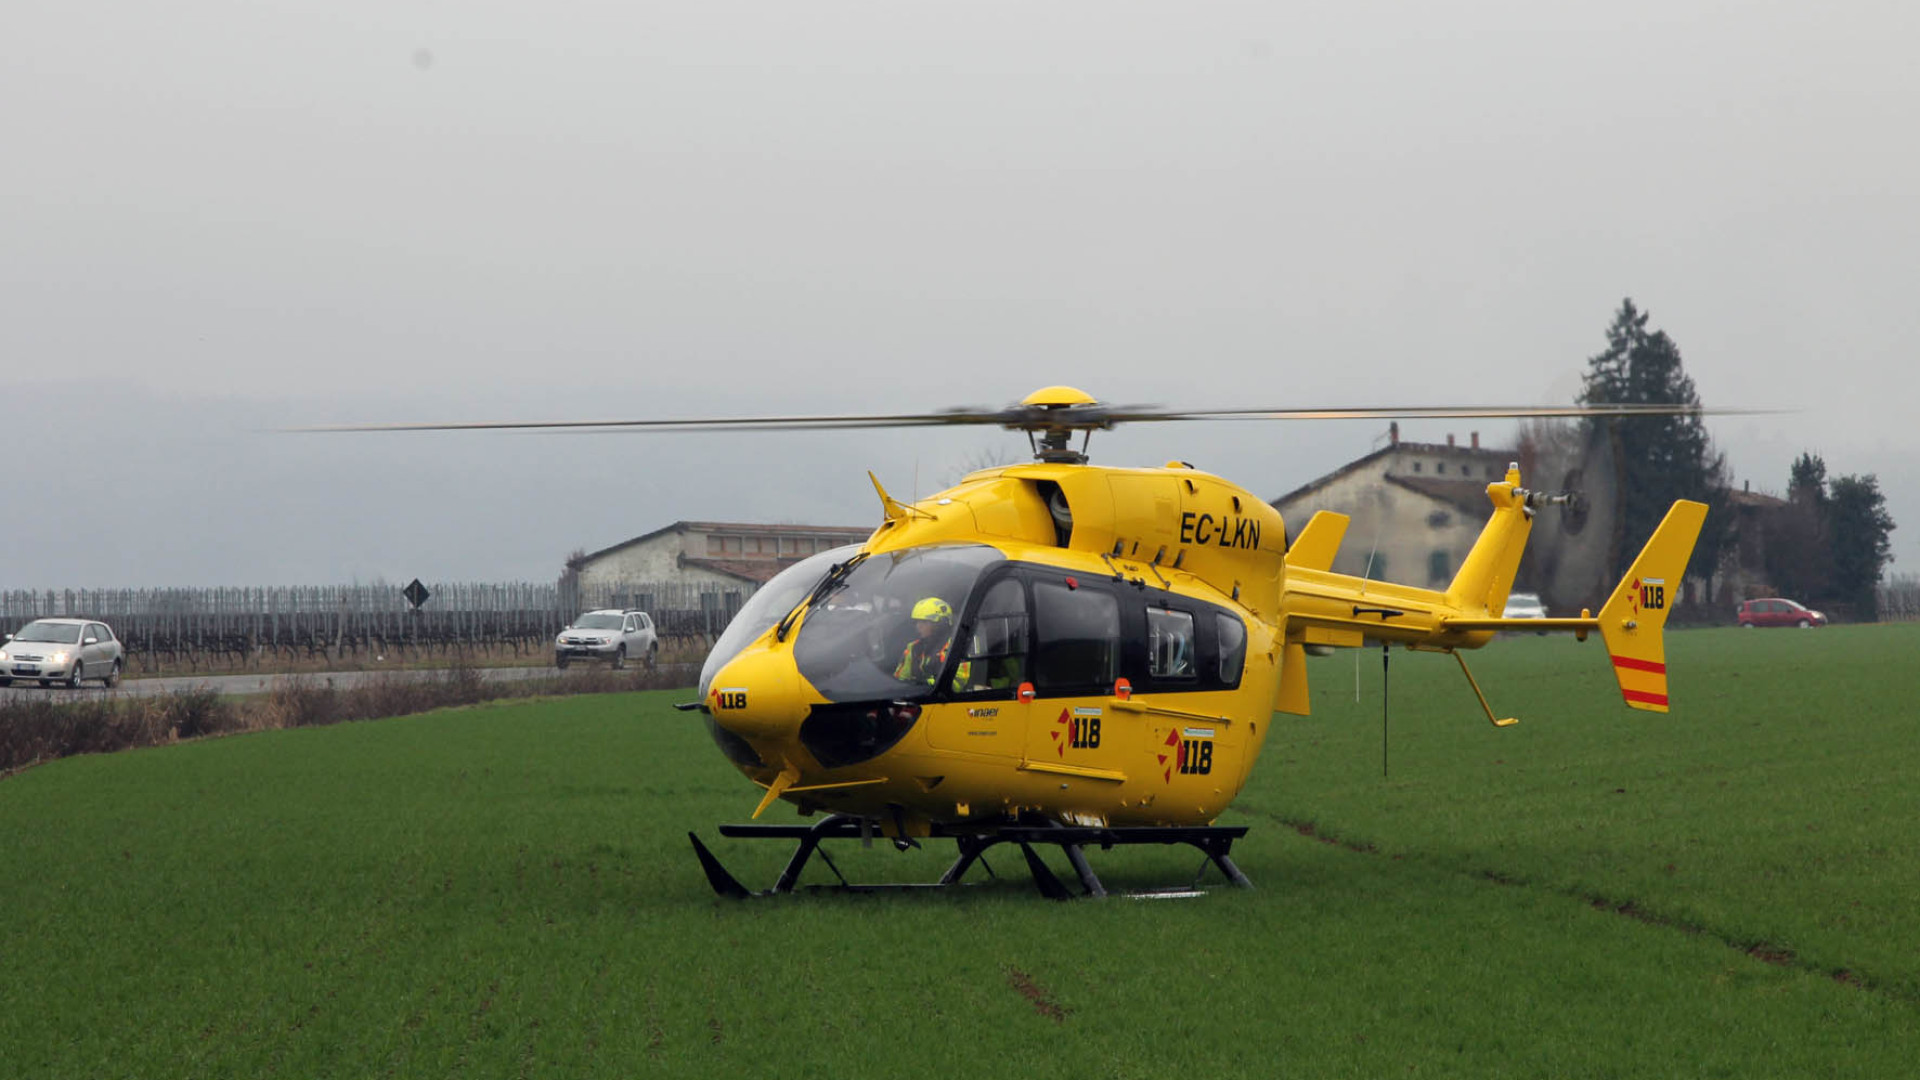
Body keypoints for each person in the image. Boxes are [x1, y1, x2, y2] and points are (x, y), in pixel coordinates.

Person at [895, 597, 957, 685]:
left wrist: (922, 684)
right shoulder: (913, 647)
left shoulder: (955, 646)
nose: (918, 626)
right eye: (917, 622)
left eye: (924, 622)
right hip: (917, 696)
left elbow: (956, 683)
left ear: (941, 624)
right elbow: (900, 679)